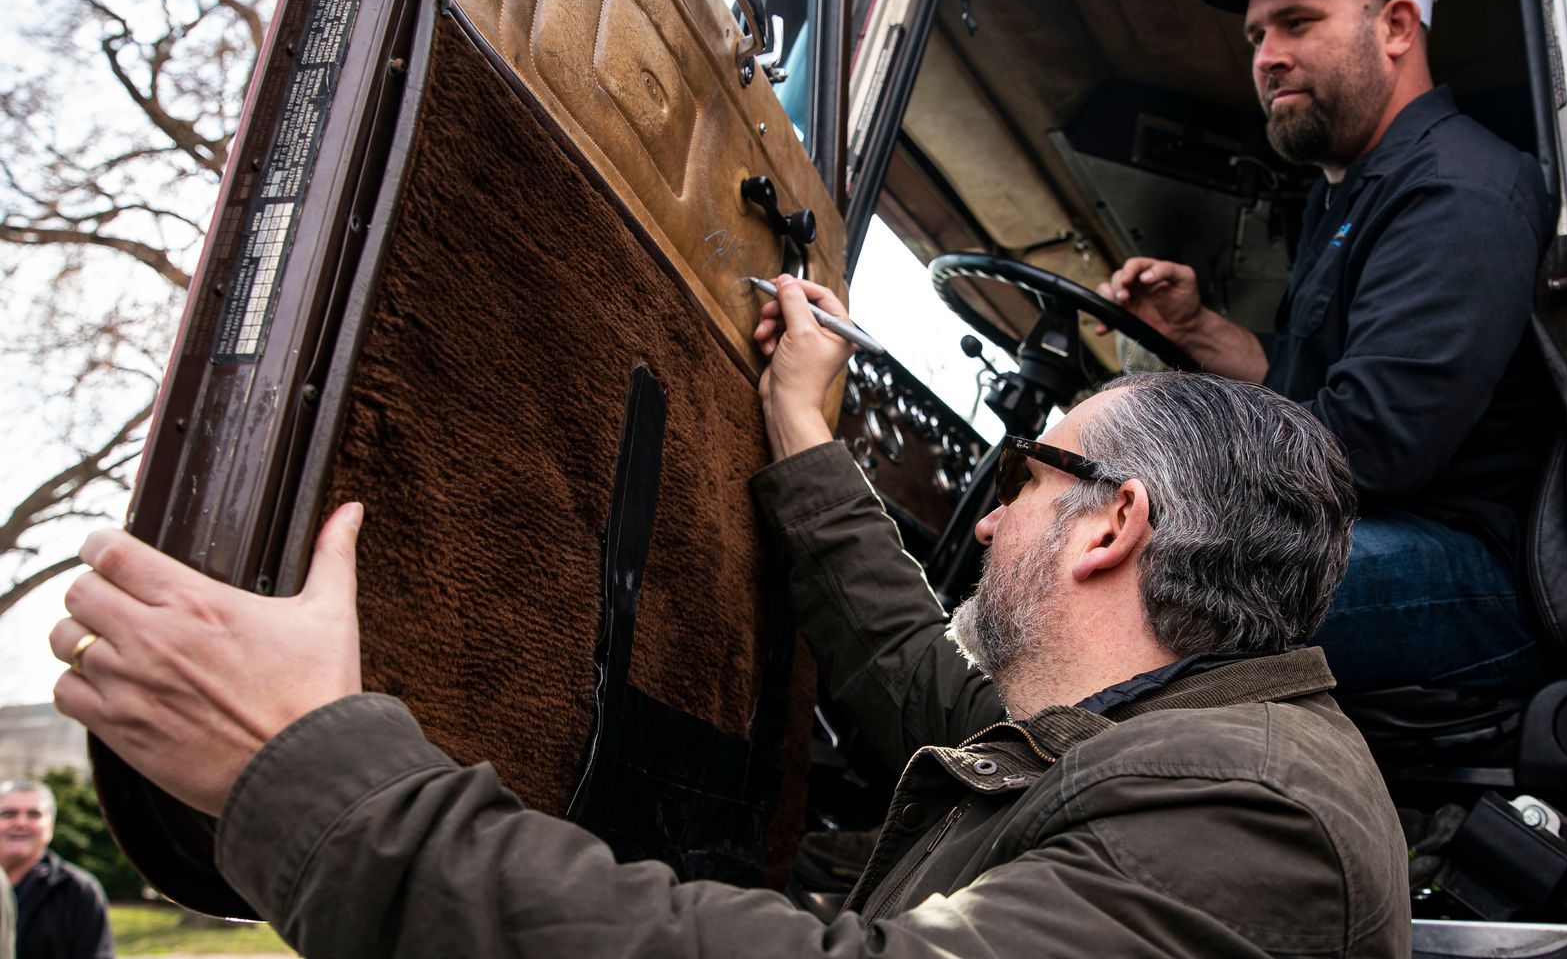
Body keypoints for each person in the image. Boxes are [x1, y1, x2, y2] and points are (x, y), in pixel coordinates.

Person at [47, 276, 1410, 958]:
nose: (987, 519)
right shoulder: (1134, 738)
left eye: (1021, 481)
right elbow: (892, 657)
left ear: (1113, 524)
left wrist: (333, 781)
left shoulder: (1254, 815)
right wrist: (800, 424)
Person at [1100, 0, 1556, 693]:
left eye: (1297, 23)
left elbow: (1373, 447)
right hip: (1369, 529)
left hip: (1467, 566)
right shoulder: (1339, 194)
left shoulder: (1457, 188)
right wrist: (1196, 328)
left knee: (1136, 587)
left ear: (1398, 28)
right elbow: (1302, 391)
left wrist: (1164, 468)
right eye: (1256, 37)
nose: (1268, 58)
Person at [1, 780, 111, 959]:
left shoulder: (79, 890)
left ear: (50, 826)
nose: (21, 822)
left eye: (34, 814)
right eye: (9, 814)